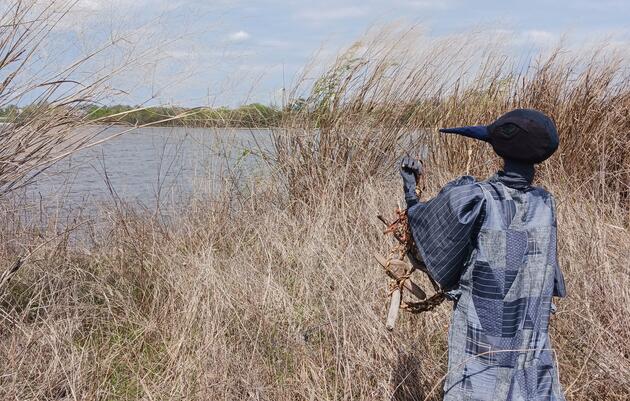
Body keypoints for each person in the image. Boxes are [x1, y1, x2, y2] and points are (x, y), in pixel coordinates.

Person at [400, 109, 566, 401]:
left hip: (481, 339)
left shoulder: (478, 197)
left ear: (502, 149)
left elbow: (429, 233)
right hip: (530, 336)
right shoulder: (545, 203)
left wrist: (411, 194)